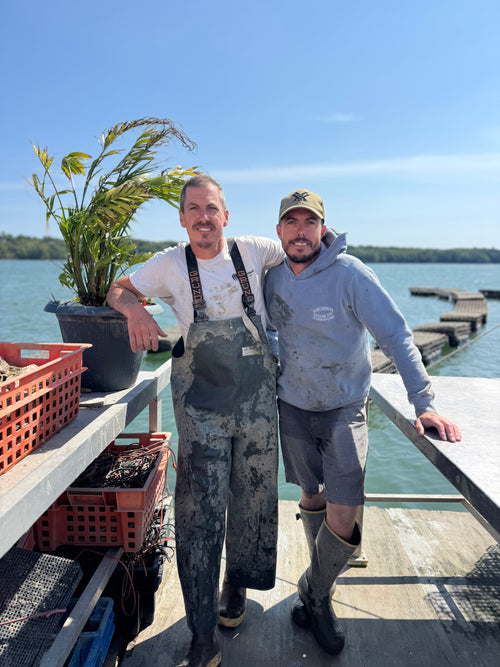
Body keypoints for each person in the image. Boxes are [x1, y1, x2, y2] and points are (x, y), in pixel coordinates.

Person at [264, 188, 462, 656]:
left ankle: (313, 589)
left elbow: (395, 334)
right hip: (292, 405)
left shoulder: (351, 274)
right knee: (311, 495)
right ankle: (321, 596)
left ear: (322, 228)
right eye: (291, 222)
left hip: (344, 406)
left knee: (346, 508)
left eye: (308, 222)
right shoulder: (271, 277)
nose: (299, 230)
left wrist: (423, 403)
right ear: (279, 231)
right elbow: (267, 327)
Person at [106, 174, 285, 667]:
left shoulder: (254, 251)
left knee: (254, 502)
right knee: (199, 516)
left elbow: (306, 247)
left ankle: (237, 586)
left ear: (226, 216)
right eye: (194, 210)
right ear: (182, 218)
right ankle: (201, 632)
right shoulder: (168, 264)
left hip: (256, 406)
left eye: (212, 209)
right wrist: (135, 314)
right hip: (202, 408)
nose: (204, 218)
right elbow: (117, 289)